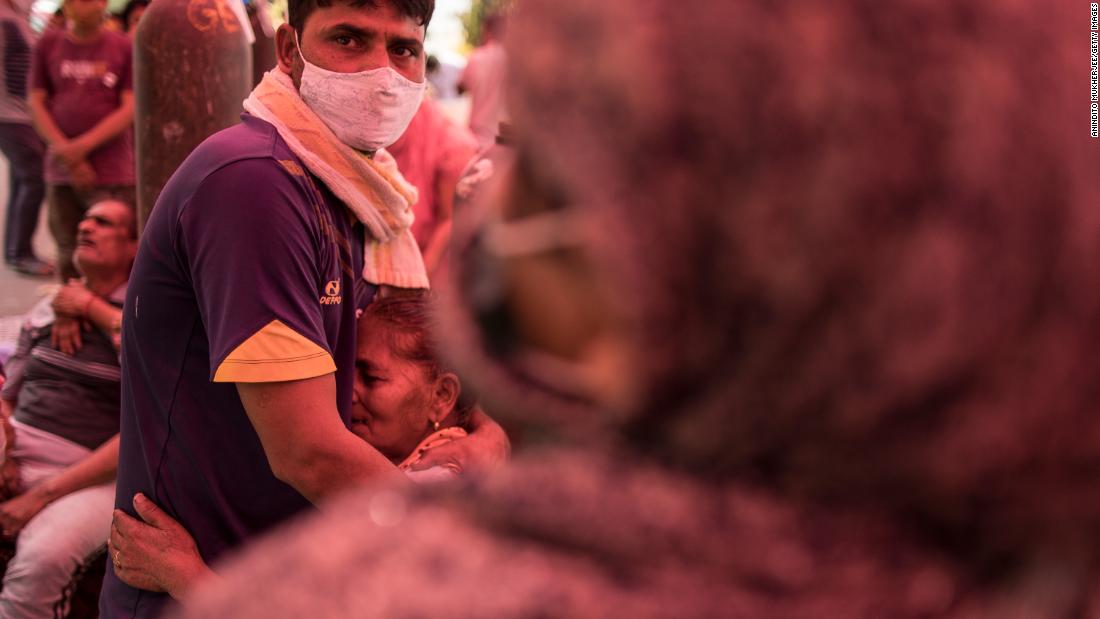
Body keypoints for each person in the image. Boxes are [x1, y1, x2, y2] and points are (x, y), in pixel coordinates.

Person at [159, 0, 1100, 617]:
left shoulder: (358, 594)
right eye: (351, 40)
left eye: (547, 153)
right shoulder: (1035, 564)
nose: (499, 190)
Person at [99, 1, 508, 617]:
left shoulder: (349, 187)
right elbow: (307, 450)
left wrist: (488, 438)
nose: (381, 73)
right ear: (289, 49)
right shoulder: (257, 182)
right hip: (203, 579)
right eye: (349, 39)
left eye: (403, 50)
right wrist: (464, 549)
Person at [108, 293, 488, 599]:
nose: (347, 391)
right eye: (344, 372)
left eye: (371, 377)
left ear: (442, 395)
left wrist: (186, 578)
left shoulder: (436, 491)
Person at [0, 199, 135, 619]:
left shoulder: (143, 315)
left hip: (89, 472)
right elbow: (7, 393)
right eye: (83, 220)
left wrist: (90, 309)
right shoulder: (46, 309)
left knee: (43, 560)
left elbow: (142, 431)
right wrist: (4, 440)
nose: (86, 226)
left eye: (103, 222)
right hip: (19, 446)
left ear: (134, 247)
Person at [28, 0, 134, 282]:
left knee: (113, 253)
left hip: (111, 171)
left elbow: (129, 107)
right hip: (61, 171)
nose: (80, 5)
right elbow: (36, 101)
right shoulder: (48, 44)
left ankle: (109, 317)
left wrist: (79, 148)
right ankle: (70, 315)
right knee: (68, 249)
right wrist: (67, 153)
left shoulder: (122, 46)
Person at [386, 97, 477, 275]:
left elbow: (449, 220)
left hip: (430, 268)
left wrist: (417, 284)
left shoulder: (454, 146)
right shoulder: (379, 128)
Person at [0, 0, 51, 277]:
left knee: (22, 178)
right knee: (33, 176)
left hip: (20, 114)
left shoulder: (17, 15)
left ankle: (15, 249)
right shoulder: (5, 19)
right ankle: (20, 252)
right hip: (11, 114)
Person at [457, 12, 505, 150]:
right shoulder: (515, 60)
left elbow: (460, 88)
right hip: (505, 136)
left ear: (487, 30)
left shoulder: (476, 57)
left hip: (477, 136)